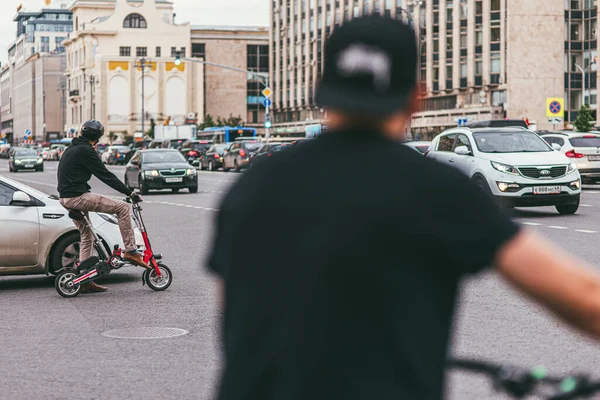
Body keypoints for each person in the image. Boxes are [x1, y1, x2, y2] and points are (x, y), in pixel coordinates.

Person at [207, 15, 600, 400]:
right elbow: (585, 299)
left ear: (318, 88)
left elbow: (234, 323)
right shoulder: (435, 191)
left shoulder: (252, 187)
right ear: (417, 95)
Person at [57, 119, 150, 293]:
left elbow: (68, 175)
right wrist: (130, 193)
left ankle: (84, 279)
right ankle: (130, 250)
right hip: (77, 197)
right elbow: (106, 175)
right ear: (98, 137)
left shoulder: (72, 148)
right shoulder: (86, 151)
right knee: (122, 208)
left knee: (86, 236)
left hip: (65, 198)